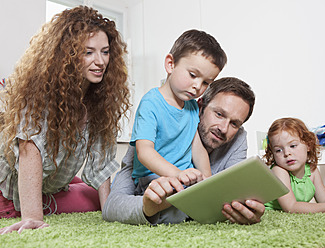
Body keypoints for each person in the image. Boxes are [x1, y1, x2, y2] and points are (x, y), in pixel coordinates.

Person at [0, 6, 130, 234]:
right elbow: (29, 150)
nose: (100, 61)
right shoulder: (39, 94)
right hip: (10, 192)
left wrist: (110, 209)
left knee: (98, 193)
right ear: (66, 56)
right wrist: (32, 217)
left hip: (52, 181)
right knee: (86, 197)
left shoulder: (97, 99)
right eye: (88, 52)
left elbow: (100, 162)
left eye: (105, 51)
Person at [103, 77, 265, 225]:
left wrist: (246, 209)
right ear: (199, 107)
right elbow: (112, 206)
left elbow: (233, 193)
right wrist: (148, 207)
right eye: (219, 114)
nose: (223, 128)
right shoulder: (152, 134)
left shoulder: (238, 139)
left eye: (235, 124)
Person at [130, 29, 226, 195]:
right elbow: (144, 152)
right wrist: (177, 174)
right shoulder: (151, 103)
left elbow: (198, 149)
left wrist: (209, 182)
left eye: (206, 83)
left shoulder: (192, 107)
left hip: (184, 179)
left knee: (214, 201)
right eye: (192, 75)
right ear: (170, 64)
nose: (197, 86)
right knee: (171, 207)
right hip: (154, 178)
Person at [263, 117, 325, 213]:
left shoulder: (312, 171)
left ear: (308, 145)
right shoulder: (279, 171)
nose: (286, 153)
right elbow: (291, 207)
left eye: (293, 146)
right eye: (278, 150)